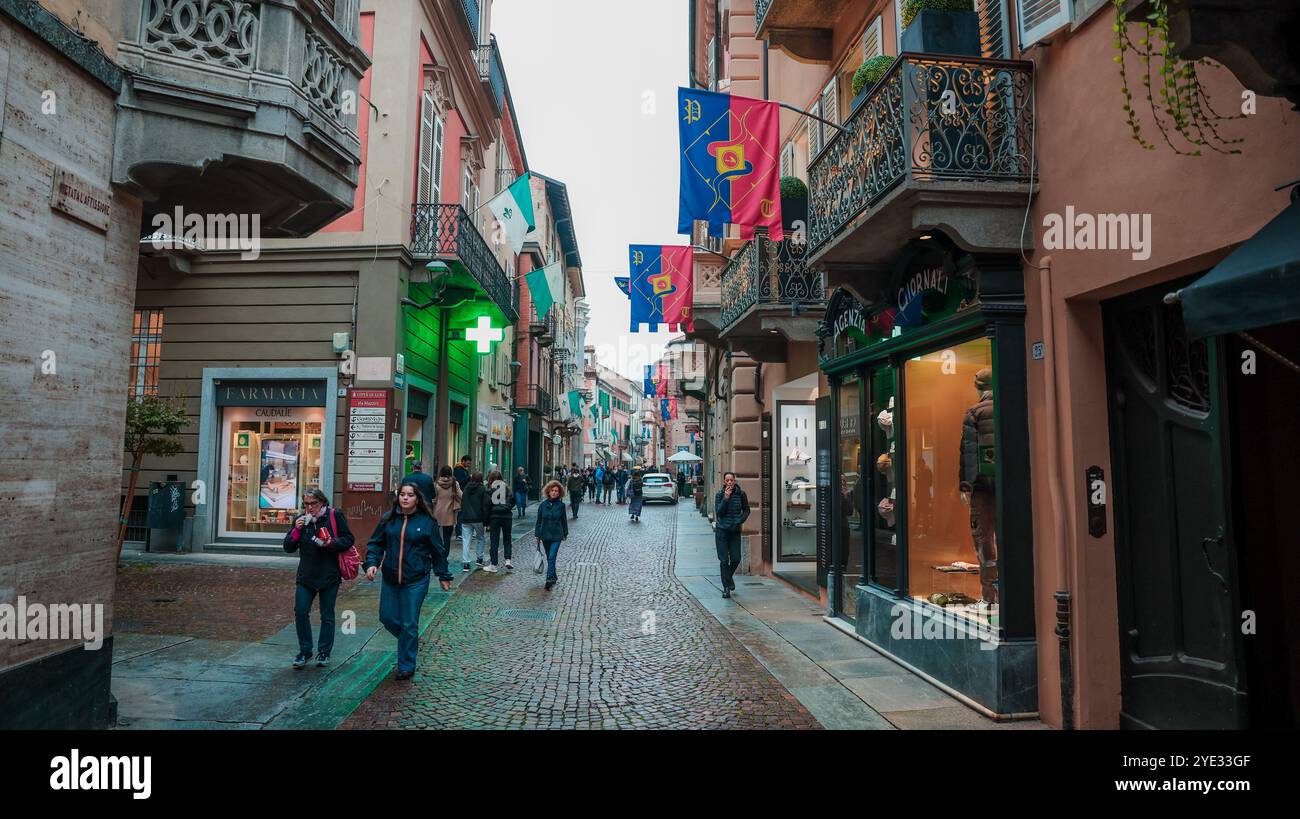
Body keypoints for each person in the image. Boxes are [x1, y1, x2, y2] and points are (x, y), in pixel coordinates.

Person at [363, 480, 452, 680]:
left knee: (409, 622)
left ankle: (406, 665)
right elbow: (375, 544)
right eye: (402, 494)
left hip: (416, 580)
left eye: (410, 495)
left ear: (417, 499)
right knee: (387, 617)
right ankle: (408, 641)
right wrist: (371, 563)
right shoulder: (388, 519)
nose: (405, 498)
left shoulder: (426, 522)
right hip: (391, 578)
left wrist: (443, 575)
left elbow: (438, 551)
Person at [283, 488, 355, 669]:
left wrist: (331, 543)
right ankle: (305, 651)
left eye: (313, 504)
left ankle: (324, 652)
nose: (310, 508)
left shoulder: (334, 515)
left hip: (329, 574)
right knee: (300, 611)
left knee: (327, 615)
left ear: (322, 502)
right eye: (306, 504)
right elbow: (288, 547)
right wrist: (296, 530)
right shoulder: (301, 520)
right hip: (306, 575)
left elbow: (348, 539)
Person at [714, 472, 750, 599]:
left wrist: (740, 520)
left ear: (734, 481)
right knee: (724, 560)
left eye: (731, 480)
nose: (729, 482)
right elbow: (719, 512)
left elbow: (747, 509)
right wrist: (726, 498)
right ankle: (726, 588)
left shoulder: (741, 494)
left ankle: (728, 579)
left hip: (735, 531)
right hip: (722, 531)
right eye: (727, 480)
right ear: (724, 482)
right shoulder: (719, 495)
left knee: (736, 558)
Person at [534, 480, 569, 591]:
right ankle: (553, 575)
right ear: (548, 491)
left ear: (559, 493)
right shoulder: (542, 505)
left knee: (551, 556)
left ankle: (549, 579)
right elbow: (539, 521)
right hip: (545, 535)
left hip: (557, 535)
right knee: (550, 556)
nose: (554, 493)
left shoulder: (561, 506)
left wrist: (565, 533)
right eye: (552, 490)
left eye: (556, 491)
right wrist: (537, 535)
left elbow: (564, 521)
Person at [485, 470, 515, 572]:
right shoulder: (507, 488)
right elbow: (513, 500)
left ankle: (493, 565)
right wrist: (508, 507)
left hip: (495, 516)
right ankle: (508, 560)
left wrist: (487, 519)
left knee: (494, 540)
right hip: (506, 516)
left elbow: (487, 505)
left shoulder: (490, 489)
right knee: (507, 538)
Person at [459, 471, 488, 572]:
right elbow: (485, 505)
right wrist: (486, 519)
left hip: (466, 518)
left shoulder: (466, 488)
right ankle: (479, 559)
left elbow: (462, 502)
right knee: (480, 538)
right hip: (478, 518)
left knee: (466, 540)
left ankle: (466, 563)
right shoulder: (482, 489)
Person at [430, 465, 461, 553]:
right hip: (450, 514)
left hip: (437, 513)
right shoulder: (455, 483)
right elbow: (461, 495)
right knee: (447, 537)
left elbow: (434, 499)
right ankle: (445, 555)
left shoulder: (436, 483)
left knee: (436, 536)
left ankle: (438, 553)